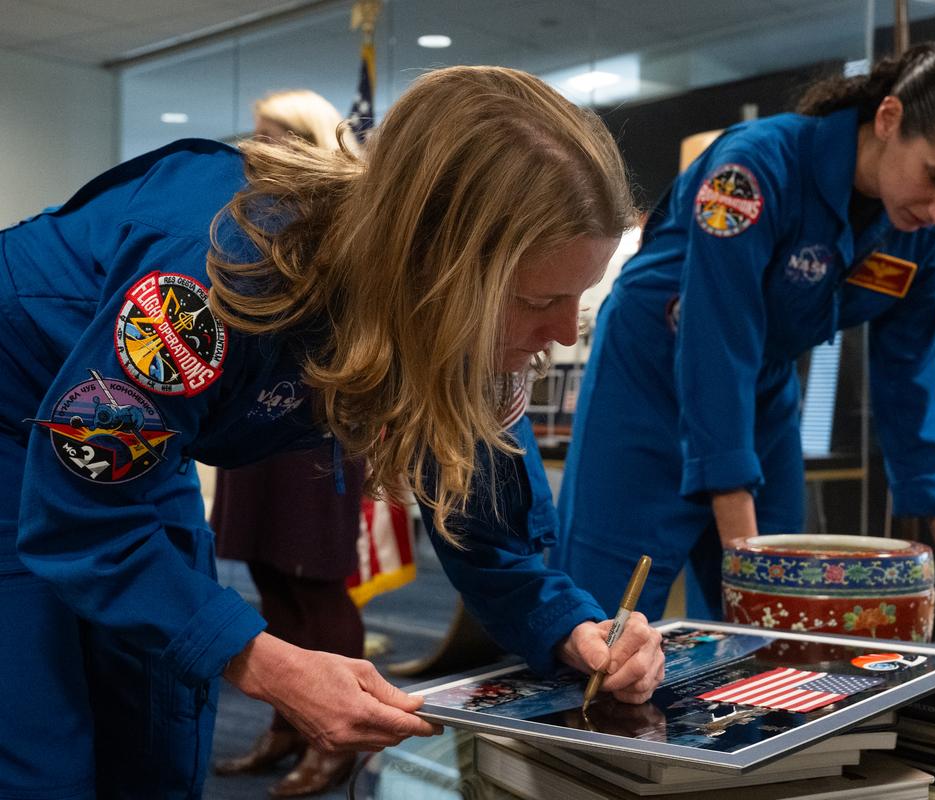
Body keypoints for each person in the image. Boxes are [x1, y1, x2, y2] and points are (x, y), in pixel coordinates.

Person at [0, 66, 664, 799]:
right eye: (539, 299)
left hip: (136, 448)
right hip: (13, 414)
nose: (562, 332)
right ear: (431, 269)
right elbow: (82, 518)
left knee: (158, 737)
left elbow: (486, 526)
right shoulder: (212, 279)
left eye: (578, 296)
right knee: (41, 751)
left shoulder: (463, 319)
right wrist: (274, 666)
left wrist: (572, 628)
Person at [553, 43, 935, 638]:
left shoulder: (921, 237)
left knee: (777, 633)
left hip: (761, 388)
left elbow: (911, 386)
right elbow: (715, 341)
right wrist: (743, 557)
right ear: (888, 119)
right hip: (650, 380)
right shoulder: (752, 169)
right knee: (605, 618)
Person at [208, 89, 368, 797]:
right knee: (271, 582)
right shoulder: (249, 220)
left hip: (318, 430)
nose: (253, 147)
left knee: (317, 586)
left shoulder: (351, 223)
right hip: (254, 428)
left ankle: (338, 740)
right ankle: (285, 727)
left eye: (270, 134)